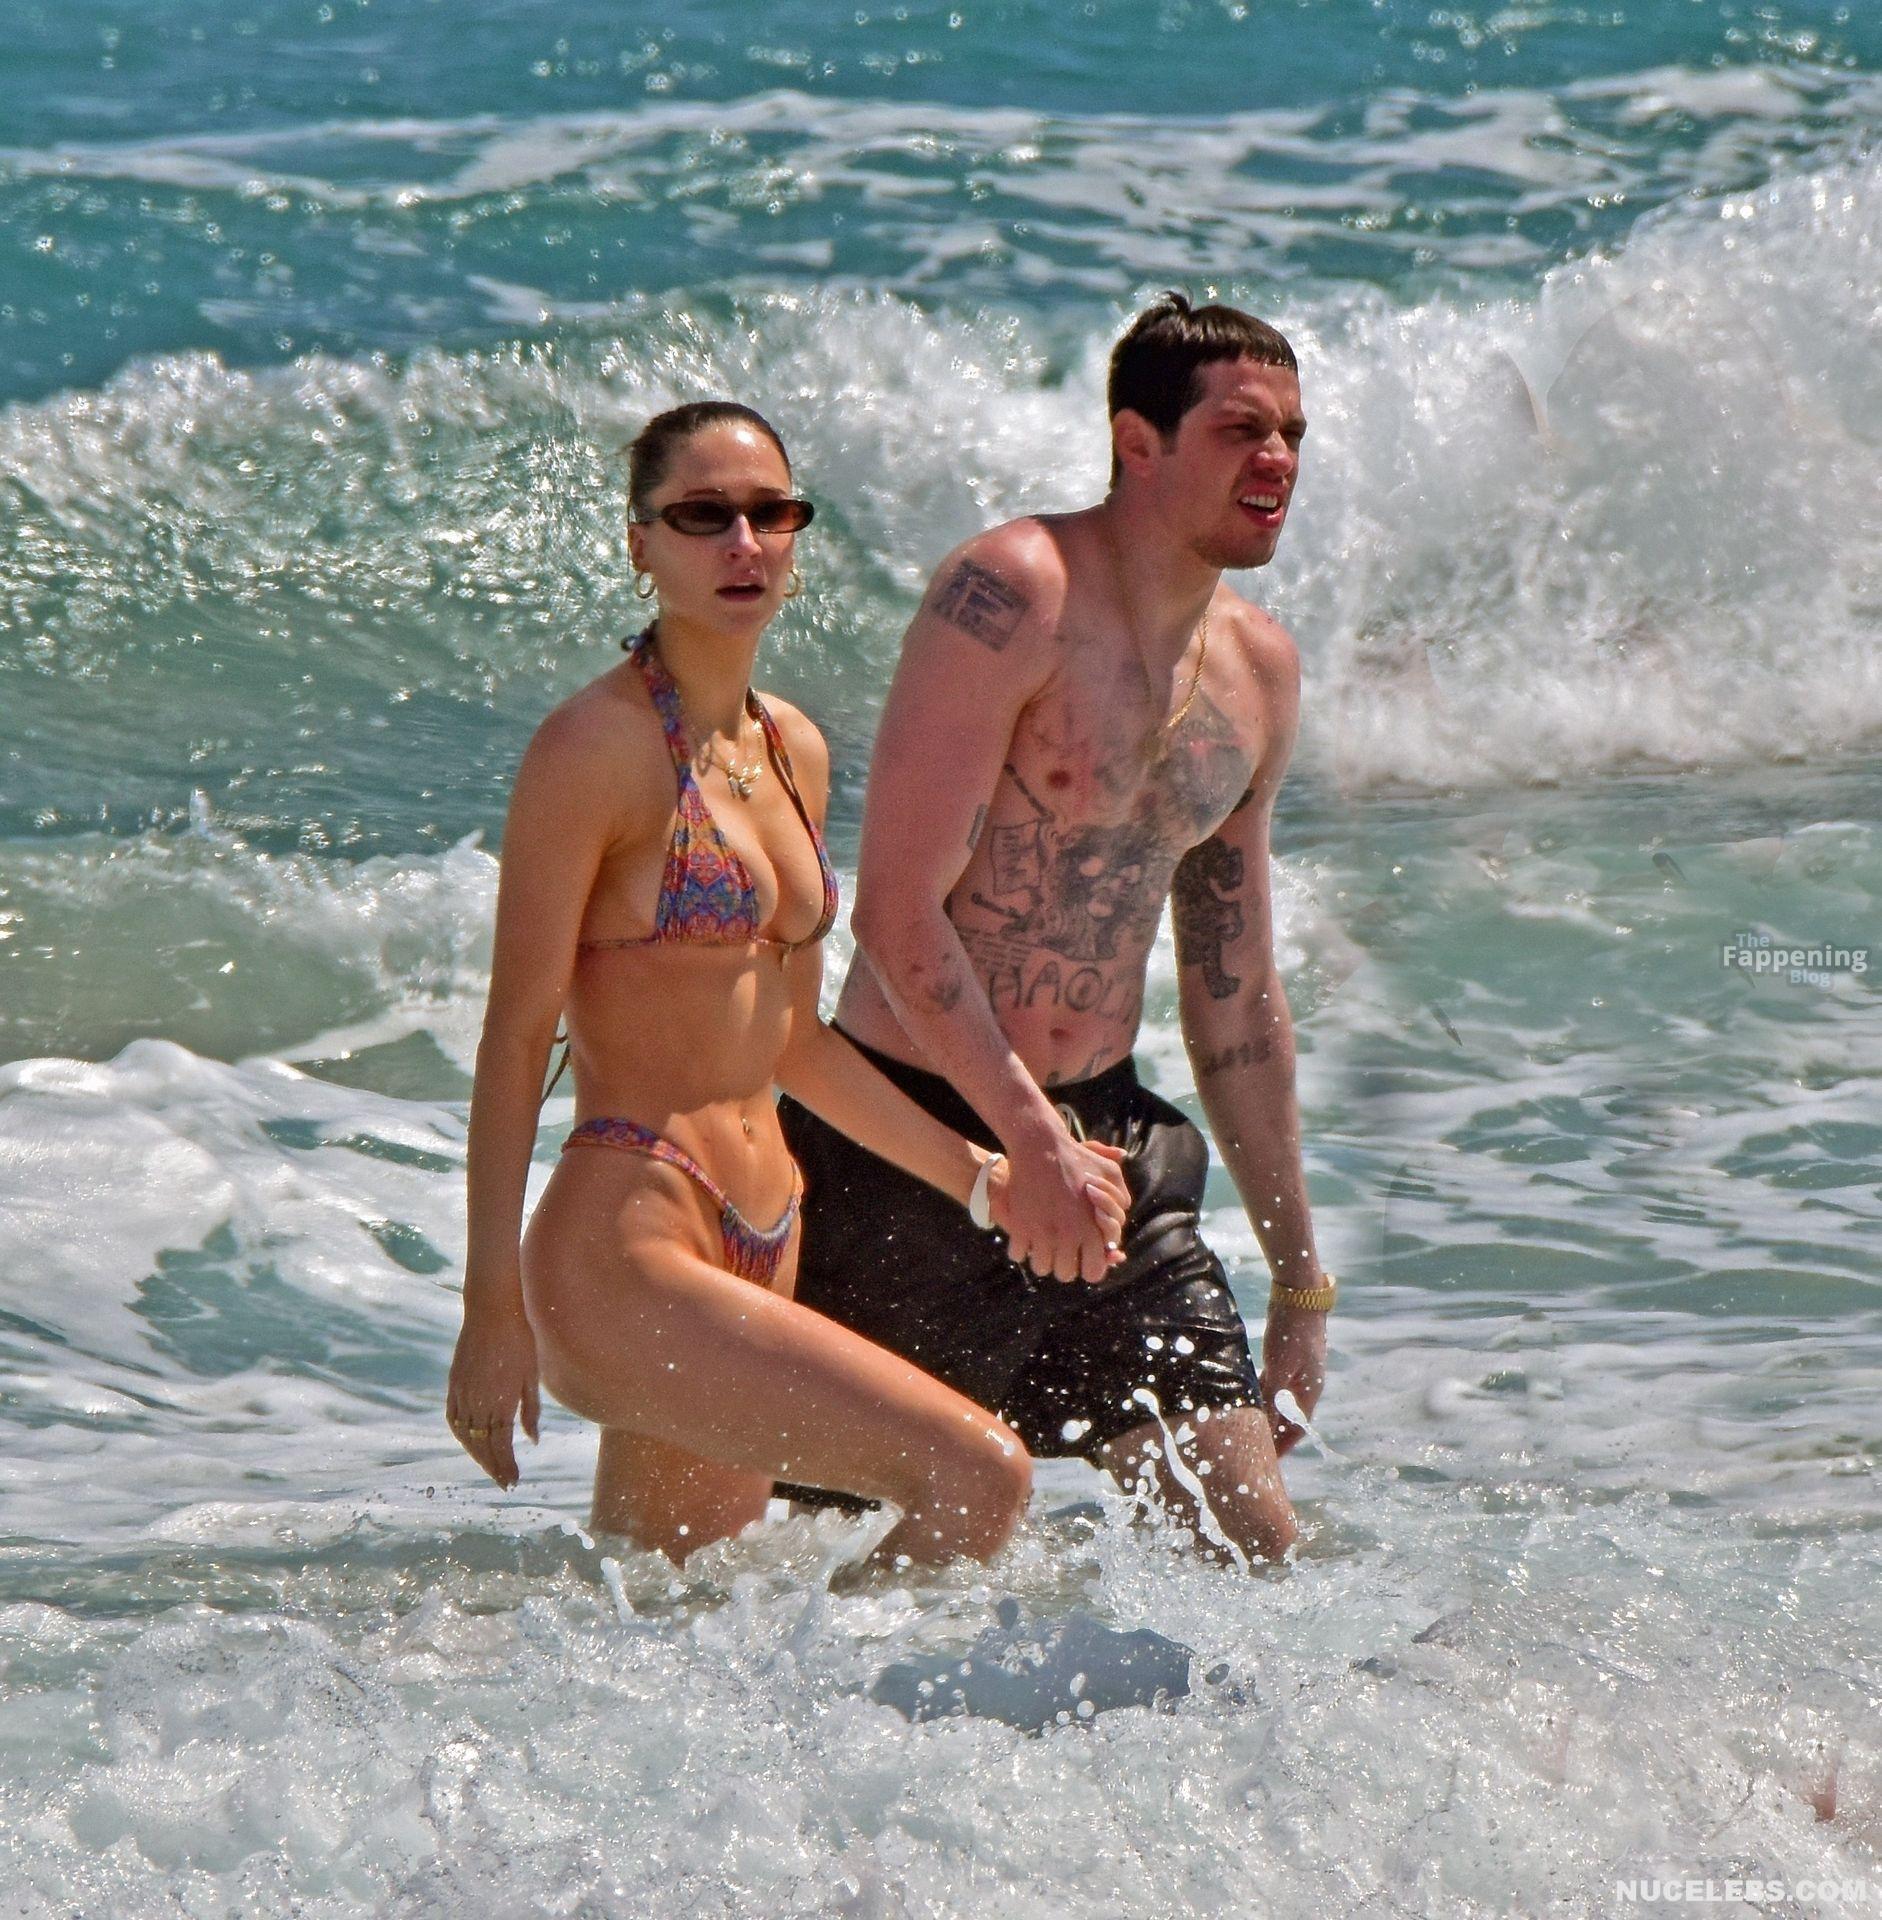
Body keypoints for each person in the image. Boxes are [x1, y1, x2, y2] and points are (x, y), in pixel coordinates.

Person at [444, 399, 1132, 1569]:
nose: (743, 543)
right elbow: (514, 1038)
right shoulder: (592, 750)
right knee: (978, 1474)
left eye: (772, 514)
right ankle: (887, 1694)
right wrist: (489, 1310)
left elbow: (793, 1041)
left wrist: (983, 1178)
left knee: (681, 1615)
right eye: (702, 516)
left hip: (765, 1231)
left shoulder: (792, 749)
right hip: (628, 1243)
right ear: (639, 543)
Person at [777, 294, 1334, 1565]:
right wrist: (1022, 1146)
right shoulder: (1012, 592)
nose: (1277, 460)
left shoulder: (1258, 670)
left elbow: (1236, 997)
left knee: (1250, 1549)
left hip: (1109, 1154)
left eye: (1294, 435)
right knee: (826, 1581)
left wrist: (1299, 1281)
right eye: (1241, 430)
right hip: (909, 1140)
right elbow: (898, 910)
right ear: (1137, 443)